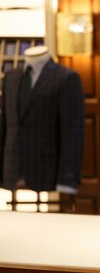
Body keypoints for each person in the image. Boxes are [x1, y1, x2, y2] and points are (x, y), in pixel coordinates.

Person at [0, 45, 84, 193]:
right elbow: (4, 127)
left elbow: (72, 133)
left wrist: (67, 180)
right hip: (12, 169)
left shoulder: (66, 78)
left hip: (47, 172)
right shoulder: (11, 77)